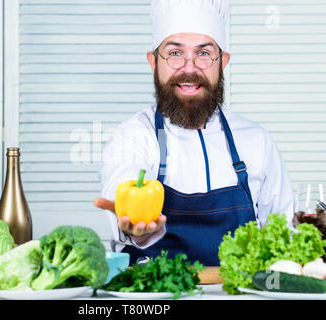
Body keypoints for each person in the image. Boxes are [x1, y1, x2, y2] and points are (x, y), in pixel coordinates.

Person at [93, 0, 295, 266]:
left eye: (203, 54)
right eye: (175, 53)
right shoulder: (132, 137)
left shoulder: (257, 142)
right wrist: (136, 228)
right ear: (153, 62)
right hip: (158, 301)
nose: (189, 69)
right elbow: (123, 191)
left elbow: (285, 237)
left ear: (222, 62)